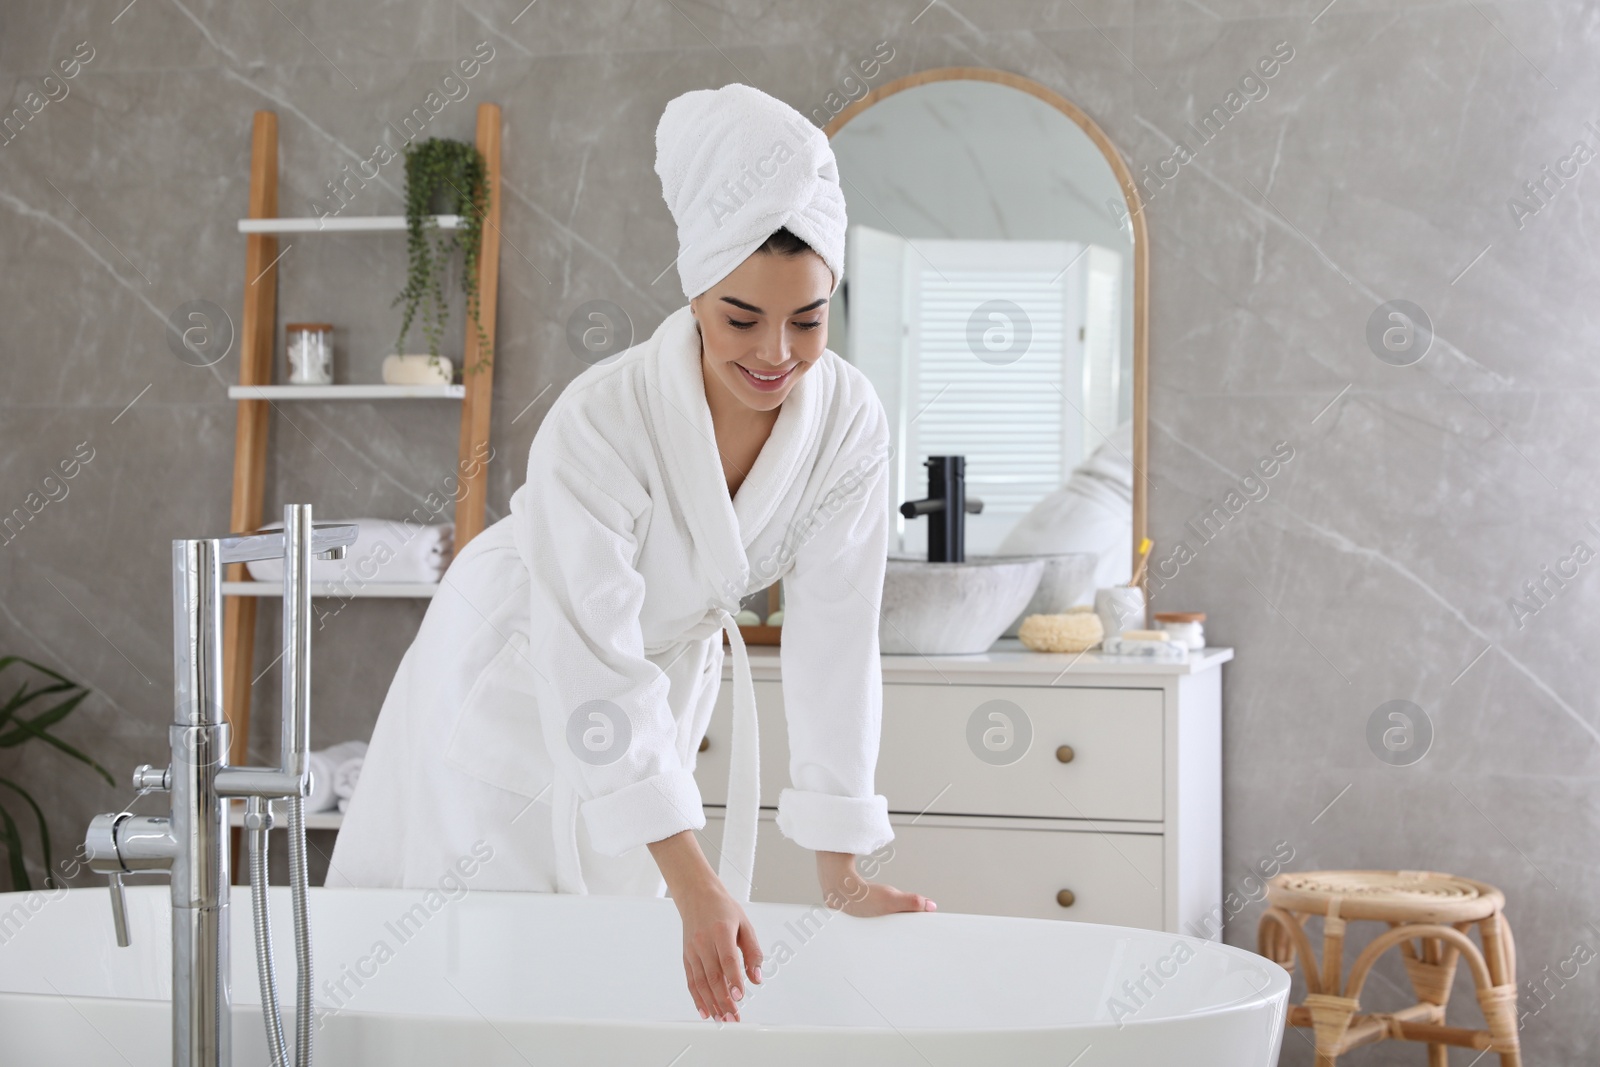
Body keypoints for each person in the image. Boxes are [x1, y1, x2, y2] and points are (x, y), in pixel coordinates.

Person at [329, 83, 934, 1025]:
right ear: (695, 292)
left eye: (808, 320)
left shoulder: (849, 422)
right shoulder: (601, 422)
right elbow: (590, 656)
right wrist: (694, 881)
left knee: (601, 983)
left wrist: (840, 865)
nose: (777, 352)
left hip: (649, 691)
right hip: (523, 662)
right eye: (742, 318)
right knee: (478, 976)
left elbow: (835, 639)